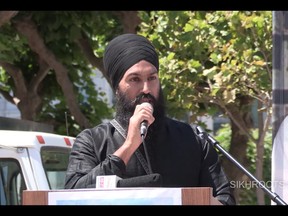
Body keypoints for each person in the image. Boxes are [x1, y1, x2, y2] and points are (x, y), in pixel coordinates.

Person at [64, 33, 236, 205]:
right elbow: (71, 196)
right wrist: (129, 146)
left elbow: (225, 198)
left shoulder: (193, 139)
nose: (146, 89)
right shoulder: (92, 141)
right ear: (117, 88)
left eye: (152, 78)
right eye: (135, 79)